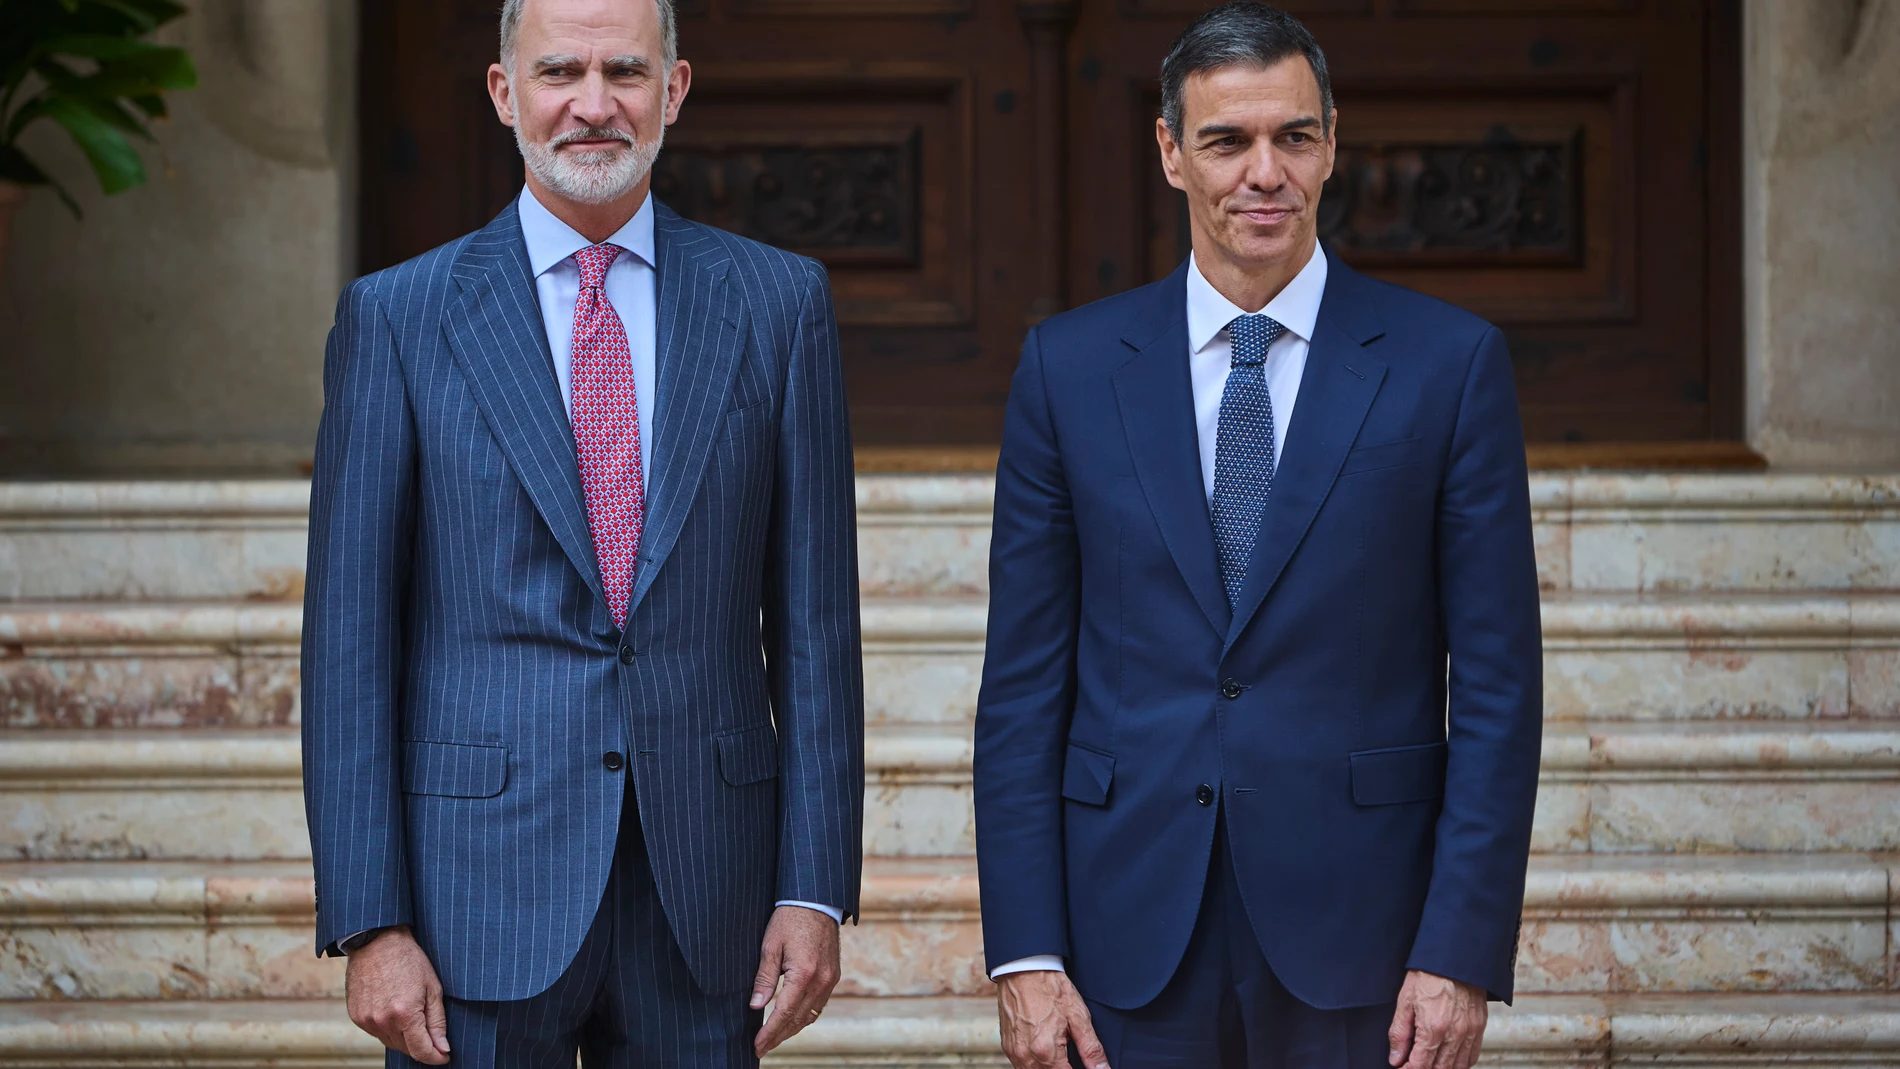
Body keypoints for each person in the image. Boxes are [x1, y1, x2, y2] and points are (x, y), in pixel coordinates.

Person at [972, 4, 1543, 1068]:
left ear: (1332, 144)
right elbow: (1021, 686)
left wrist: (1458, 948)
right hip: (1123, 927)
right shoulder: (1067, 368)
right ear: (1171, 154)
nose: (1262, 173)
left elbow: (1501, 688)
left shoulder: (1447, 365)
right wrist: (1025, 951)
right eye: (1226, 141)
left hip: (1364, 932)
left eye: (1293, 136)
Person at [300, 0, 864, 1063]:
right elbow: (348, 645)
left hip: (708, 893)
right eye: (559, 71)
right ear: (505, 92)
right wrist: (371, 919)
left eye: (625, 72)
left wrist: (814, 887)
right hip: (472, 895)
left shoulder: (778, 304)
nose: (593, 105)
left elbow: (815, 628)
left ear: (675, 90)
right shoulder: (398, 316)